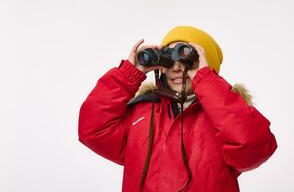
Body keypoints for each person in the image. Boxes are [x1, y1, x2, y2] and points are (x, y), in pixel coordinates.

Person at [78, 26, 277, 192]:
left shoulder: (226, 116)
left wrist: (207, 80)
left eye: (188, 59)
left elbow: (252, 149)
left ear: (207, 65)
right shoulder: (143, 112)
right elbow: (93, 130)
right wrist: (128, 75)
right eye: (168, 59)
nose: (177, 67)